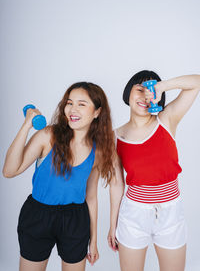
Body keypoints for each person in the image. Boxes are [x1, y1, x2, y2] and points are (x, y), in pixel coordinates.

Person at [3, 81, 115, 271]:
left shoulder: (98, 151)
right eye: (69, 102)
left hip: (75, 218)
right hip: (38, 214)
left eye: (82, 104)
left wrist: (93, 240)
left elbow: (91, 197)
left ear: (97, 112)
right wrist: (26, 126)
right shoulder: (48, 136)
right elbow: (9, 171)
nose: (72, 109)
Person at [107, 71, 200, 271]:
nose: (144, 96)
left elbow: (197, 82)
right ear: (128, 93)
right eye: (139, 90)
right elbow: (116, 184)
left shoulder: (167, 120)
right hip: (133, 215)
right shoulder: (114, 137)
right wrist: (112, 224)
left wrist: (163, 86)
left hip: (171, 213)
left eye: (150, 92)